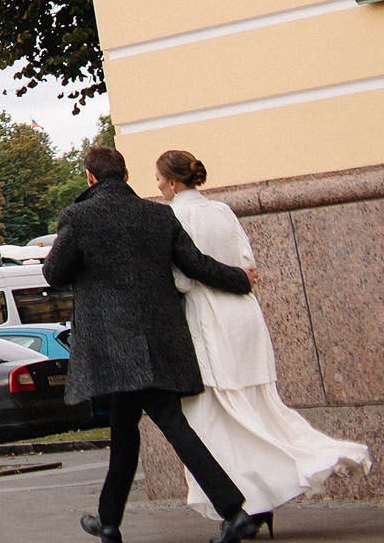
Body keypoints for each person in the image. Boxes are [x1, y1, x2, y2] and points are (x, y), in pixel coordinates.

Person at [43, 145, 259, 543]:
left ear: (90, 178)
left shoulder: (78, 217)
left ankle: (233, 510)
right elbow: (195, 265)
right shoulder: (159, 214)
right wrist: (240, 279)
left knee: (158, 427)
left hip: (114, 349)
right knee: (126, 429)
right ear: (126, 177)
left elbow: (54, 274)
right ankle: (108, 521)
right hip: (161, 342)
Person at [158, 150, 370, 530]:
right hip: (244, 315)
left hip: (209, 316)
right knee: (258, 409)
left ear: (173, 182)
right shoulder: (222, 211)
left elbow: (184, 278)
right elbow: (247, 264)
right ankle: (261, 500)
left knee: (217, 420)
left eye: (158, 178)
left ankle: (249, 503)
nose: (156, 185)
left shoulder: (175, 216)